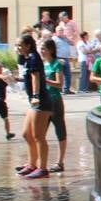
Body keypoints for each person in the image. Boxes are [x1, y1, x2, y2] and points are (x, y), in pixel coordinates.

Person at [15, 34, 51, 179]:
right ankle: (31, 164)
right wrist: (13, 79)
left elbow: (36, 77)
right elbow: (28, 77)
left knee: (39, 136)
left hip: (41, 101)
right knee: (26, 134)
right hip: (33, 102)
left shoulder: (34, 57)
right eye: (17, 45)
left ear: (28, 46)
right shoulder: (27, 59)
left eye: (20, 45)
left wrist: (35, 95)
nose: (17, 48)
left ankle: (43, 168)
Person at [40, 38, 68, 173]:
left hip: (55, 101)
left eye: (44, 49)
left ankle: (60, 162)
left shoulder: (57, 64)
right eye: (41, 48)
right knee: (40, 133)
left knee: (60, 130)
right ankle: (40, 162)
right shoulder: (42, 64)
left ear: (50, 50)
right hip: (44, 101)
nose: (41, 51)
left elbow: (59, 84)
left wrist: (45, 80)